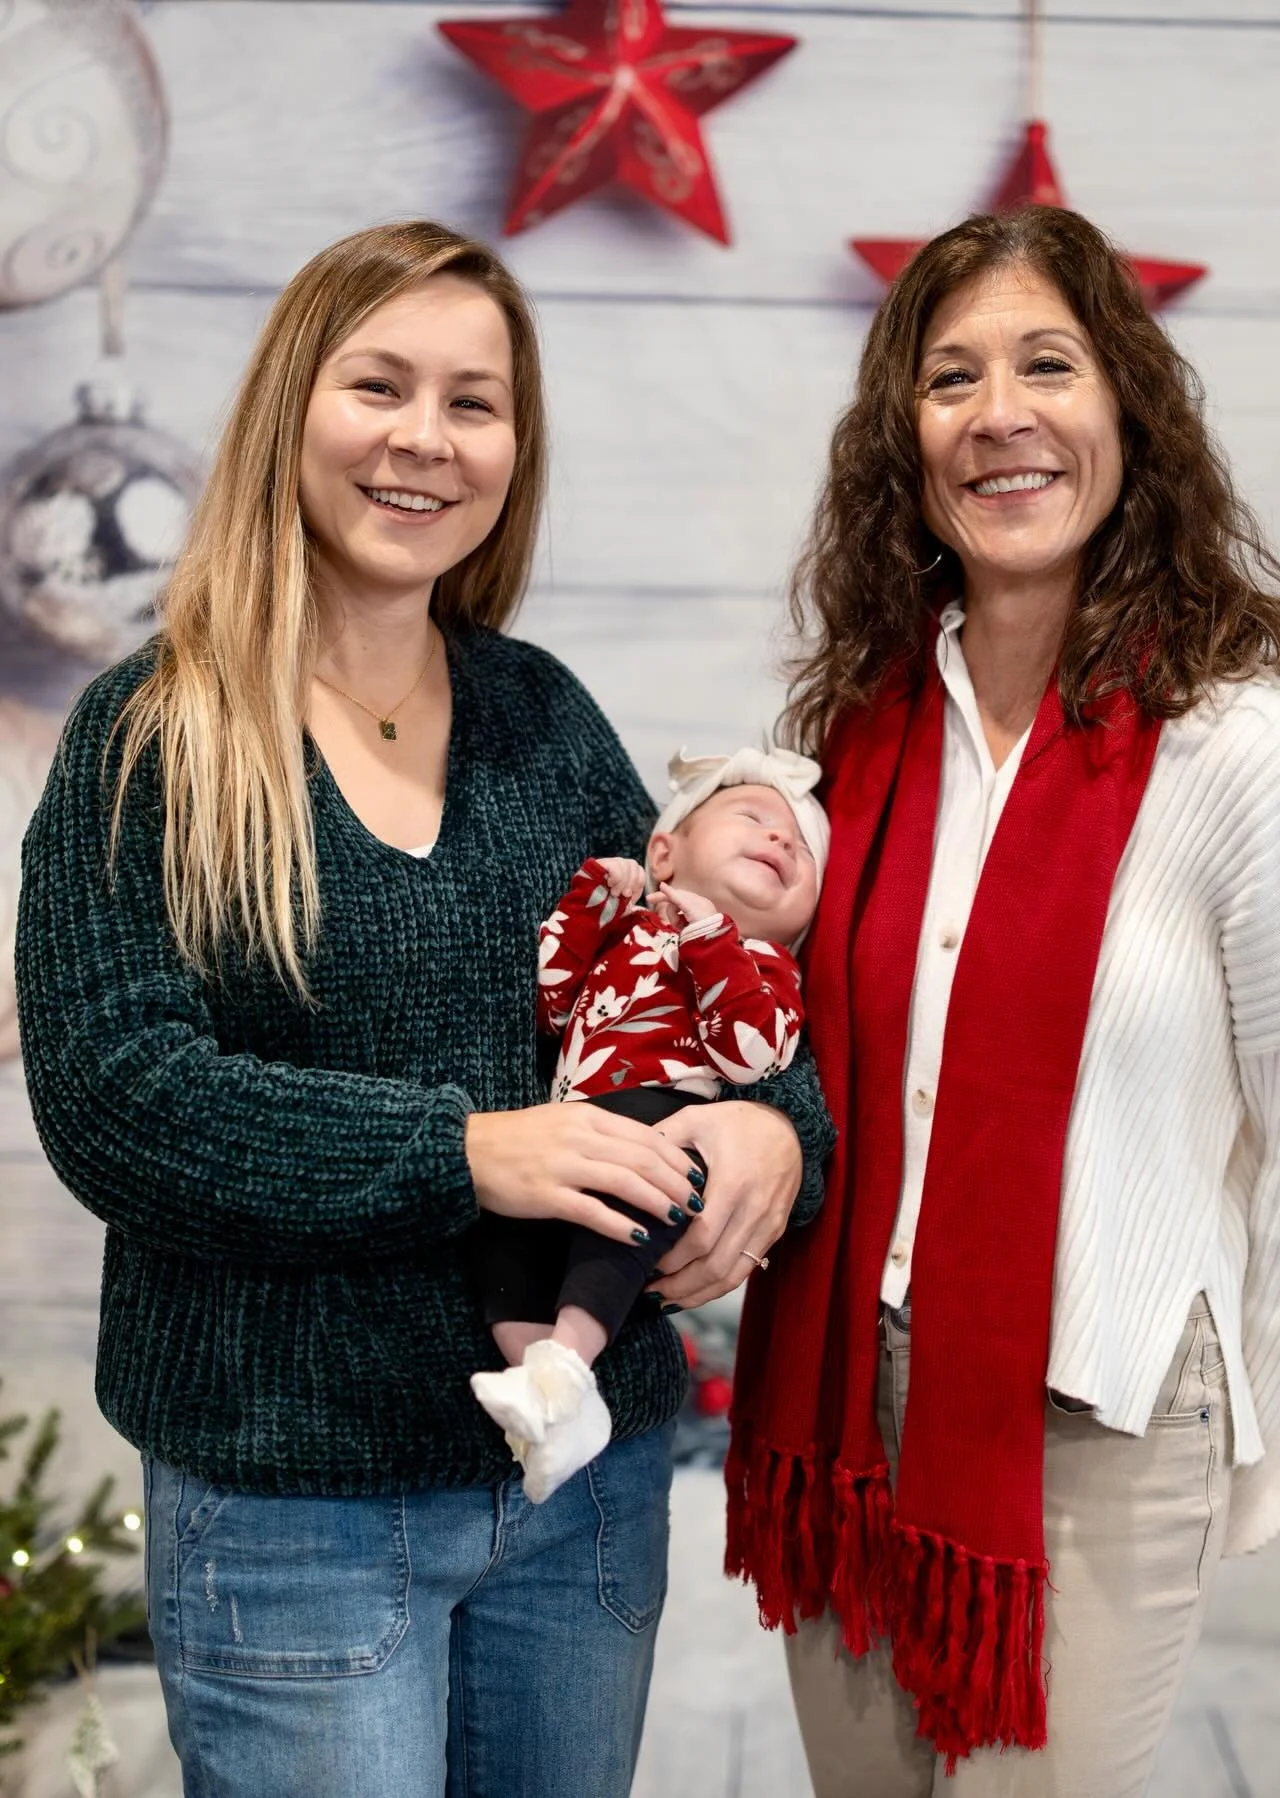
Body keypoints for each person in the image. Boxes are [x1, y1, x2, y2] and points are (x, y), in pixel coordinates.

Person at [15, 221, 832, 1798]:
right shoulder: (157, 735)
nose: (424, 438)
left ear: (512, 451)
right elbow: (119, 1094)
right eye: (378, 384)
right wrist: (470, 1151)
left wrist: (767, 1129)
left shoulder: (538, 714)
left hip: (579, 1494)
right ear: (288, 414)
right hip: (293, 1502)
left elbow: (700, 977)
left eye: (475, 401)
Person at [723, 204, 1280, 1798]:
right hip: (846, 1401)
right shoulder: (857, 735)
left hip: (1101, 1424)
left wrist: (1224, 1421)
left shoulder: (1235, 755)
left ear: (1130, 413)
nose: (1002, 415)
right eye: (951, 377)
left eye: (1050, 363)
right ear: (906, 440)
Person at [471, 747, 827, 1503]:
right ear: (665, 851)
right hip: (568, 1131)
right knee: (504, 1243)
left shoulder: (769, 966)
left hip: (666, 1126)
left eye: (799, 848)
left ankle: (569, 1360)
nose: (779, 841)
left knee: (619, 1205)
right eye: (754, 819)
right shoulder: (624, 933)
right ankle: (547, 1401)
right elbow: (551, 1004)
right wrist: (591, 906)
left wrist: (710, 942)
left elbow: (750, 1056)